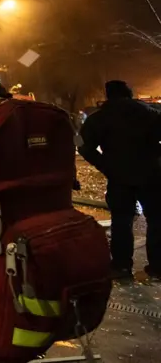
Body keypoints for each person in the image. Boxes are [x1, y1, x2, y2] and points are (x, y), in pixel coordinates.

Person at [78, 80, 161, 279]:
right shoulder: (151, 113)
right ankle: (158, 267)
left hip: (118, 177)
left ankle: (121, 266)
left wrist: (103, 164)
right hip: (151, 175)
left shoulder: (98, 119)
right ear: (129, 93)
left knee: (121, 222)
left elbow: (81, 144)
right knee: (157, 221)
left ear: (108, 95)